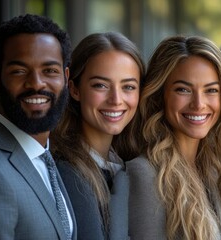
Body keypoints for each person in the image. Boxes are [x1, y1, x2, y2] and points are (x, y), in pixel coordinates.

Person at [0, 14, 76, 239]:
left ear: (65, 77)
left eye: (49, 71)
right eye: (19, 71)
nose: (36, 83)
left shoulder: (45, 157)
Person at [126, 35, 221, 240]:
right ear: (160, 95)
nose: (199, 104)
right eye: (183, 90)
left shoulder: (216, 170)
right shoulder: (144, 175)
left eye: (211, 90)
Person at [50, 32, 145, 240]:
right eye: (100, 85)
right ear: (74, 89)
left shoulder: (127, 161)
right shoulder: (68, 172)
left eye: (128, 87)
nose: (116, 100)